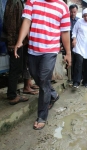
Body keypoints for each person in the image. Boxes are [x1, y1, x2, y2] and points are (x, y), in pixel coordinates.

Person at [14, 0, 71, 130]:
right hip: (33, 49)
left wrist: (68, 53)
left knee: (44, 80)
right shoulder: (32, 1)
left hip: (50, 50)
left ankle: (42, 116)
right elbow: (27, 21)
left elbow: (65, 32)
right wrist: (19, 41)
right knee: (37, 77)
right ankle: (53, 94)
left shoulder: (62, 6)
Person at [3, 0, 29, 105]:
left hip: (15, 41)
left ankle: (13, 93)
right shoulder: (16, 2)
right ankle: (13, 95)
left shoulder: (13, 2)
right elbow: (12, 25)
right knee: (15, 69)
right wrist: (13, 44)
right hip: (15, 42)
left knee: (16, 68)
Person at [68, 4, 79, 85]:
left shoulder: (79, 21)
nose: (73, 13)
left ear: (77, 11)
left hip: (77, 43)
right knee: (70, 59)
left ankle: (76, 76)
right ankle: (70, 77)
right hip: (68, 42)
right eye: (71, 12)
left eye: (74, 12)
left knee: (76, 60)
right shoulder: (66, 20)